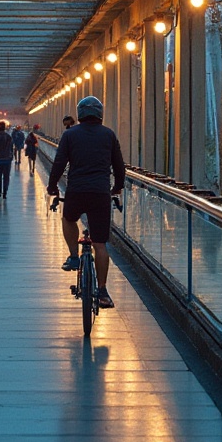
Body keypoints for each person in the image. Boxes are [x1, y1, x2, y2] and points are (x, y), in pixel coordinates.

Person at [47, 96, 125, 309]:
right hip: (100, 193)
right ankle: (102, 291)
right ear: (100, 113)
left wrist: (52, 186)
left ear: (80, 114)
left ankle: (73, 255)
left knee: (69, 219)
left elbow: (60, 162)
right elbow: (119, 166)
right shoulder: (109, 135)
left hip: (76, 191)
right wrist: (117, 186)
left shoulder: (70, 135)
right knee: (100, 244)